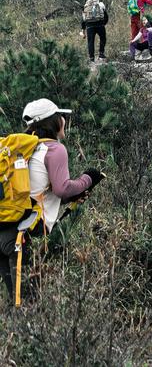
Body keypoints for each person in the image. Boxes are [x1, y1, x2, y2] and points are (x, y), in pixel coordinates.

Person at [0, 99, 102, 303]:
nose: (64, 120)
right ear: (53, 122)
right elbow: (62, 189)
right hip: (19, 237)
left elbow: (34, 194)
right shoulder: (54, 149)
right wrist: (88, 179)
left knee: (19, 302)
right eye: (60, 116)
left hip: (5, 230)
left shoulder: (24, 150)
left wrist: (72, 197)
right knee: (28, 305)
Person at [79, 0, 108, 64]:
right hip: (100, 24)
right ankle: (101, 53)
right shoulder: (100, 5)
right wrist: (103, 23)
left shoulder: (85, 7)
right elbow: (106, 16)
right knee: (103, 38)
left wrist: (83, 30)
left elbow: (83, 21)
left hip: (89, 26)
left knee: (90, 42)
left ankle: (91, 58)